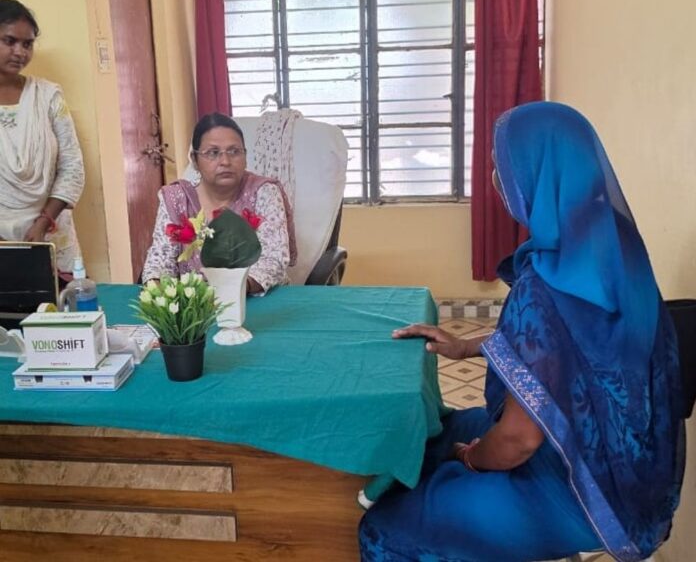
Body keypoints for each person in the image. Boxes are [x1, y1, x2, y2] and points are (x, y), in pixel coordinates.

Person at [359, 102, 685, 562]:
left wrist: (468, 458)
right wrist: (467, 346)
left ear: (536, 174)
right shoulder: (615, 245)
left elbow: (517, 441)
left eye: (503, 165)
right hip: (627, 464)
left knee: (385, 527)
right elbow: (566, 351)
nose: (497, 178)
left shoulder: (546, 284)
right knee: (433, 436)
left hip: (579, 488)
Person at [142, 112, 297, 294]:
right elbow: (159, 262)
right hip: (195, 303)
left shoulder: (264, 192)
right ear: (194, 160)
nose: (225, 161)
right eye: (213, 153)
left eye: (234, 151)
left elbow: (274, 259)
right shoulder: (176, 198)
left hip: (257, 297)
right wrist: (161, 292)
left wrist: (232, 290)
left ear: (245, 156)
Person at [0, 0, 85, 279]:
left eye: (27, 44)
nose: (20, 52)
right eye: (9, 41)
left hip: (49, 231)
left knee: (58, 303)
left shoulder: (47, 96)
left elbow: (72, 166)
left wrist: (43, 222)